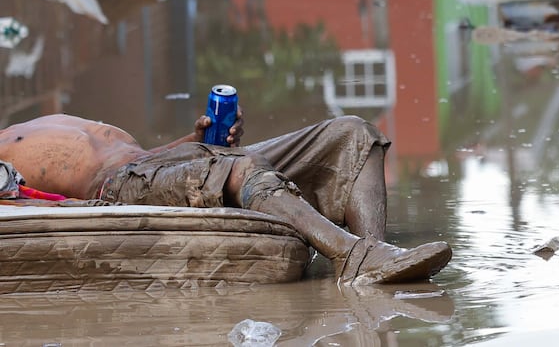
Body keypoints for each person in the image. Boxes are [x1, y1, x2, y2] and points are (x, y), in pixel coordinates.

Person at [0, 108, 451, 285]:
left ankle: (375, 254)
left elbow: (146, 159)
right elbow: (24, 202)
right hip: (116, 189)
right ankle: (352, 256)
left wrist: (194, 138)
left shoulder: (44, 119)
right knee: (240, 168)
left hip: (167, 163)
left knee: (353, 132)